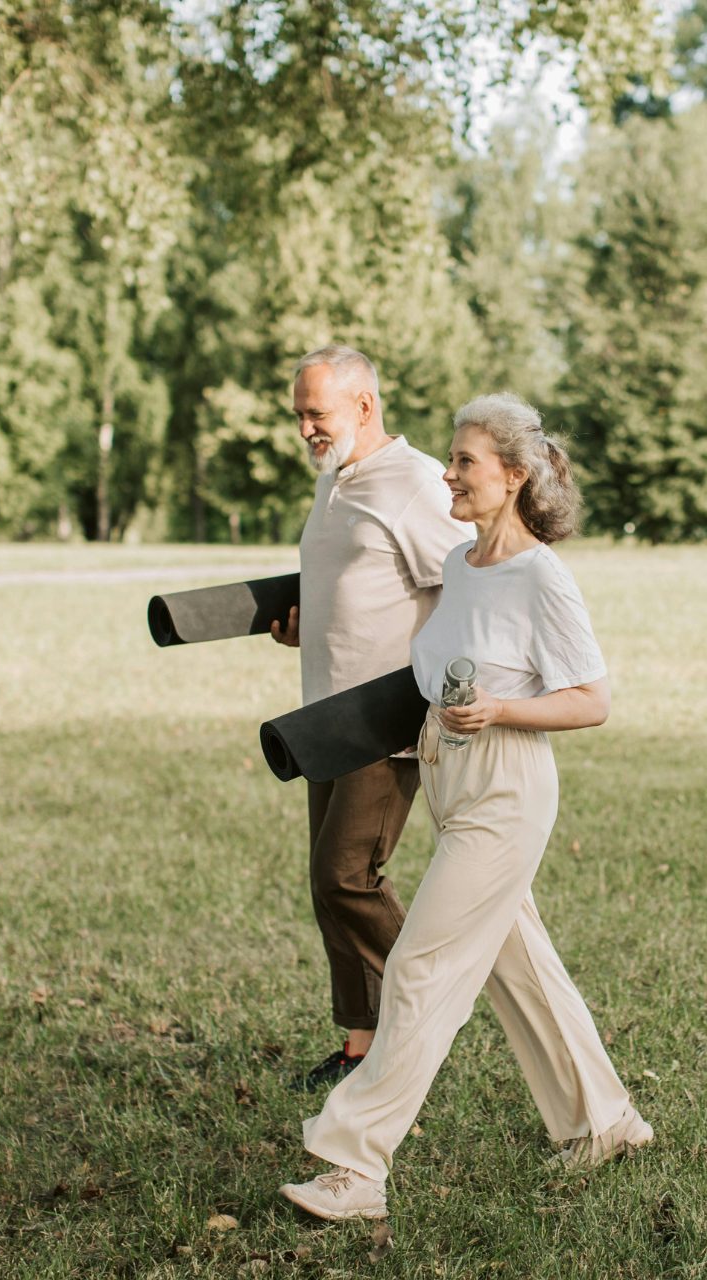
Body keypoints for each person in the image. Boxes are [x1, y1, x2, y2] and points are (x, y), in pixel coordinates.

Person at [280, 393, 650, 1222]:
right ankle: (605, 1121)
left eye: (465, 463)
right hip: (454, 780)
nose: (447, 474)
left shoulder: (539, 577)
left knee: (420, 966)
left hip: (507, 790)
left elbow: (593, 699)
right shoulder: (461, 566)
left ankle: (354, 1166)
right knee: (523, 970)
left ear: (513, 477)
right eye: (450, 459)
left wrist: (500, 711)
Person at [273, 345, 470, 1091]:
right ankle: (363, 1048)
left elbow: (469, 587)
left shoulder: (416, 483)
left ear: (363, 404)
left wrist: (446, 691)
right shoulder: (338, 479)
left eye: (315, 414)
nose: (304, 430)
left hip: (382, 718)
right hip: (324, 715)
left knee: (345, 874)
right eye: (298, 416)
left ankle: (431, 1013)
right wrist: (305, 622)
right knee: (329, 881)